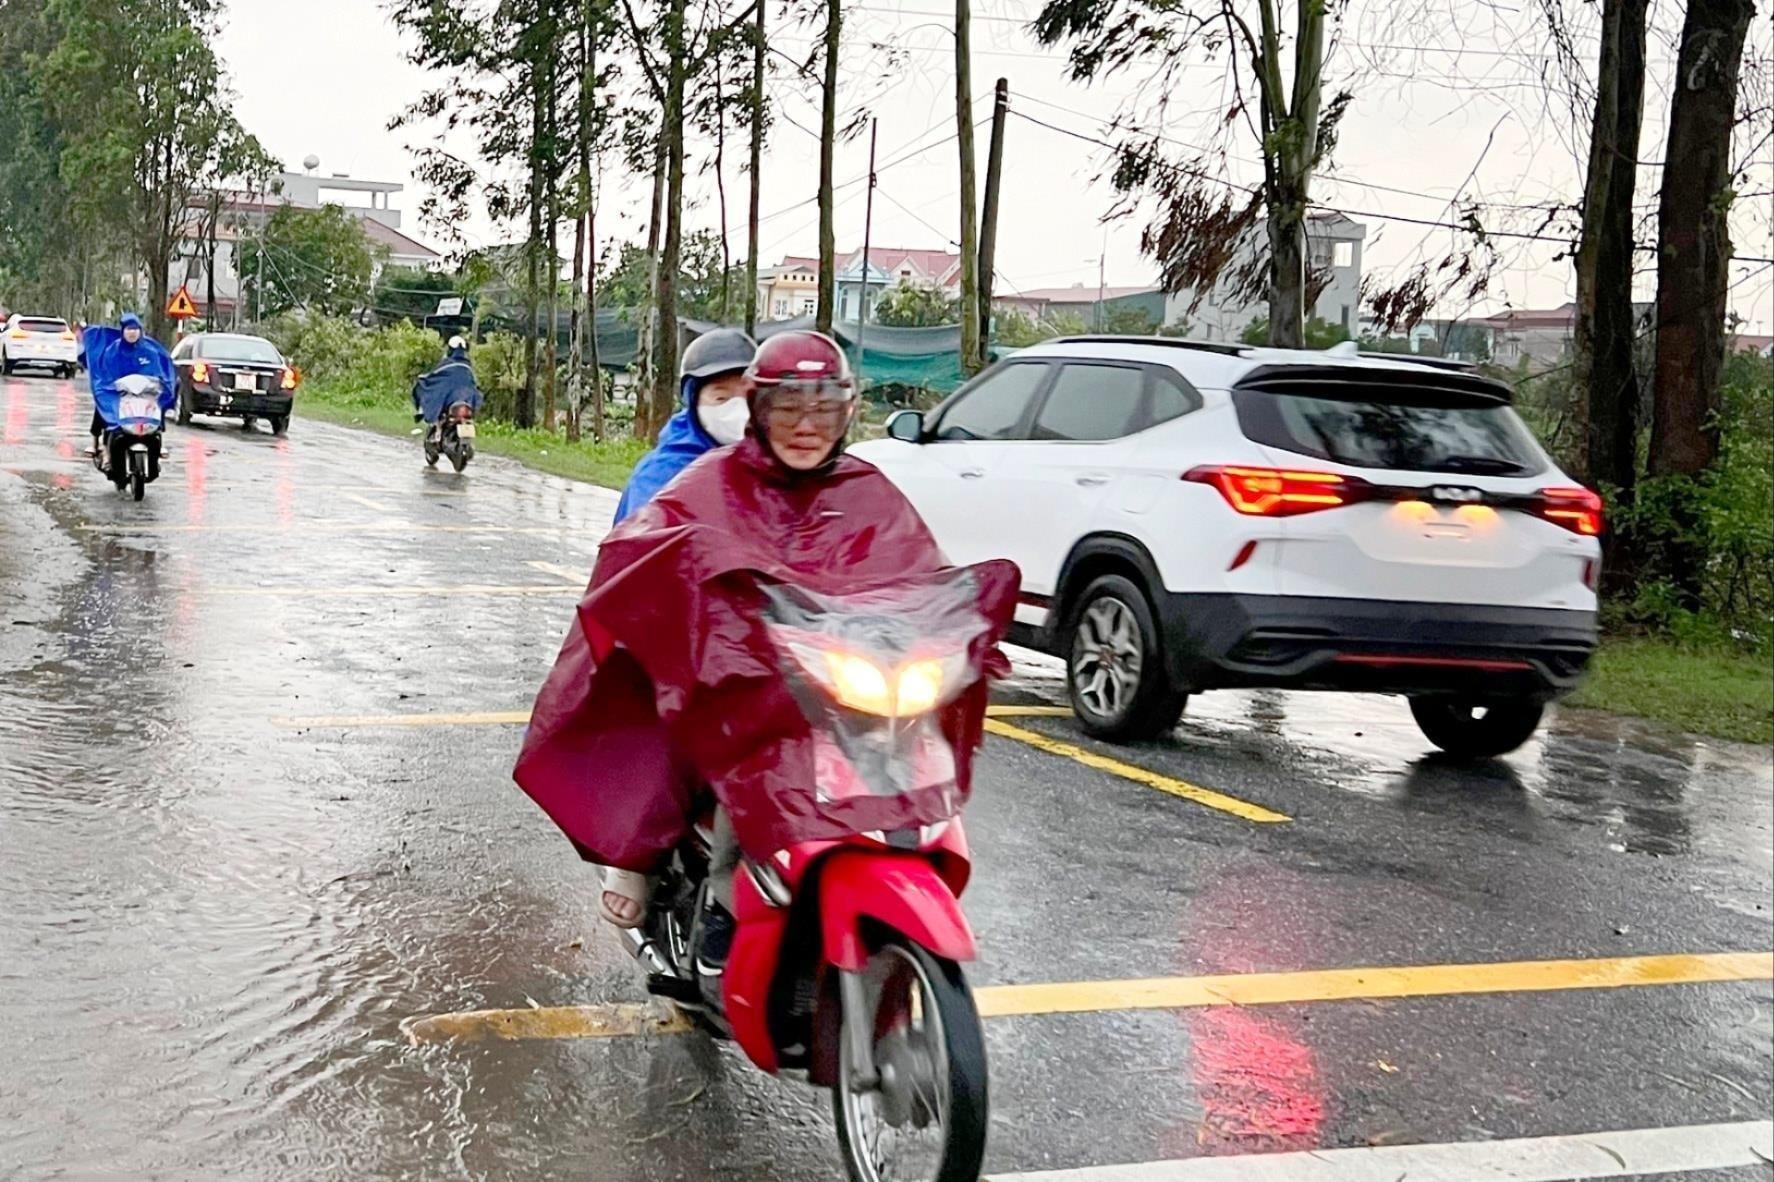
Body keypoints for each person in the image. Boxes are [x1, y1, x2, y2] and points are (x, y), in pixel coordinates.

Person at [512, 331, 1010, 939]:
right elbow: (641, 552)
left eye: (824, 407)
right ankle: (721, 906)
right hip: (742, 682)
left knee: (904, 745)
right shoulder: (705, 482)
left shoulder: (866, 489)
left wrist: (954, 631)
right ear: (759, 409)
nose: (807, 426)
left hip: (832, 680)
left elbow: (916, 571)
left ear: (848, 410)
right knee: (731, 762)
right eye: (788, 408)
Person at [611, 328, 757, 524]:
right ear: (694, 400)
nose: (738, 408)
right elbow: (643, 544)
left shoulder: (770, 465)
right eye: (721, 397)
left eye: (748, 397)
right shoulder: (663, 474)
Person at [84, 313, 174, 466]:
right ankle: (98, 443)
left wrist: (157, 385)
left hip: (144, 392)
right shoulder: (113, 351)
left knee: (158, 404)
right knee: (103, 402)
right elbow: (107, 374)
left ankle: (158, 439)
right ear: (123, 331)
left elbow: (156, 372)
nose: (132, 333)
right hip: (119, 392)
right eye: (128, 329)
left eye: (135, 329)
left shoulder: (149, 351)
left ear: (140, 331)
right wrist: (111, 386)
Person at [410, 336, 482, 435]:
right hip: (467, 400)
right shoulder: (467, 367)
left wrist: (422, 379)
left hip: (450, 399)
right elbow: (474, 385)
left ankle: (435, 425)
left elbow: (434, 377)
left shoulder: (447, 364)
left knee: (434, 395)